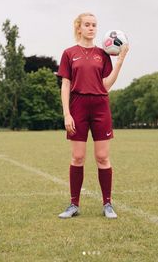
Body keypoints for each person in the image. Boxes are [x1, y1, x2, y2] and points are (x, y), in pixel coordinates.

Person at [57, 12, 129, 219]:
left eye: (94, 25)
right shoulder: (69, 53)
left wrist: (120, 61)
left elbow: (106, 85)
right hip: (78, 106)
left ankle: (107, 204)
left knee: (102, 157)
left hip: (100, 106)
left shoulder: (103, 54)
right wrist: (67, 113)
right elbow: (65, 84)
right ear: (79, 28)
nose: (91, 28)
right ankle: (73, 205)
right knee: (78, 157)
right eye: (87, 25)